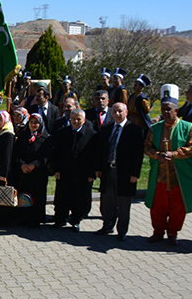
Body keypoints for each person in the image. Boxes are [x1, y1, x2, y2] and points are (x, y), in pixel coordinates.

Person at [144, 85, 192, 246]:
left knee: (178, 207)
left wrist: (175, 154)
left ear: (176, 111)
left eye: (168, 109)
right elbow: (147, 147)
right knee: (158, 207)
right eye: (163, 109)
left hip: (178, 175)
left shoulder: (188, 128)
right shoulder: (155, 128)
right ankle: (158, 231)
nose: (165, 112)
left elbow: (191, 147)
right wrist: (157, 155)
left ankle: (173, 232)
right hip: (160, 176)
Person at [94, 102, 144, 240]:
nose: (117, 114)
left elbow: (138, 155)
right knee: (107, 202)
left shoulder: (134, 130)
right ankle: (107, 226)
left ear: (126, 112)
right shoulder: (106, 129)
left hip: (125, 173)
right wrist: (98, 168)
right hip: (108, 170)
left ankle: (122, 230)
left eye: (120, 111)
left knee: (123, 203)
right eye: (115, 111)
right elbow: (101, 150)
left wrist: (135, 173)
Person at [52, 108, 97, 231]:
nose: (76, 121)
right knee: (62, 197)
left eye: (79, 119)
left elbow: (94, 156)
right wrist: (56, 169)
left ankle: (76, 220)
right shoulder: (62, 133)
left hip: (82, 173)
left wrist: (91, 173)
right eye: (73, 119)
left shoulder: (92, 135)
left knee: (79, 198)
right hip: (64, 172)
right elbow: (57, 153)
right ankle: (60, 219)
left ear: (84, 120)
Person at [11, 114, 51, 227]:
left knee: (38, 195)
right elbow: (17, 153)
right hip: (24, 172)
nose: (33, 125)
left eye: (36, 123)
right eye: (31, 122)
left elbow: (46, 157)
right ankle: (23, 217)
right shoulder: (23, 136)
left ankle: (36, 218)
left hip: (38, 173)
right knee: (24, 194)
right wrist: (22, 165)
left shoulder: (46, 138)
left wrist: (34, 165)